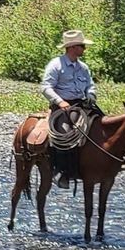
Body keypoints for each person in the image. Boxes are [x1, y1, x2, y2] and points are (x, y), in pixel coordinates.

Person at [40, 29, 101, 189]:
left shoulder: (84, 68)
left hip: (81, 104)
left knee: (103, 124)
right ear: (73, 47)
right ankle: (61, 171)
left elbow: (90, 86)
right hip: (62, 107)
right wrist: (60, 102)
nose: (84, 48)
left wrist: (91, 95)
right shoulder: (55, 65)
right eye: (81, 45)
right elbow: (46, 87)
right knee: (65, 133)